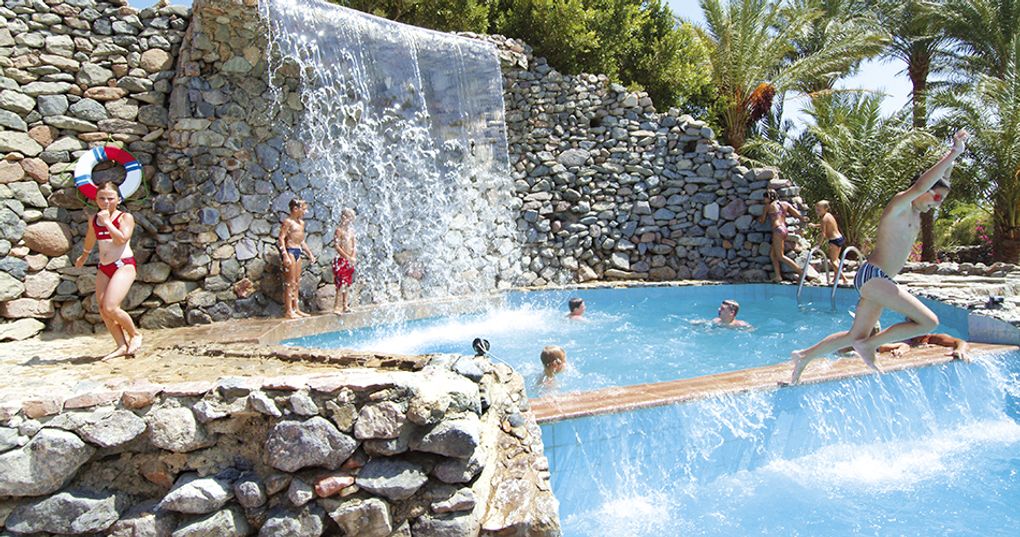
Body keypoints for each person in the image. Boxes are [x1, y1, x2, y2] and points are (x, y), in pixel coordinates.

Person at [787, 129, 969, 385]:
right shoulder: (900, 205)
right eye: (936, 197)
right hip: (873, 276)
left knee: (854, 335)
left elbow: (939, 182)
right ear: (924, 189)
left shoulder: (916, 214)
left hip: (878, 279)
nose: (936, 204)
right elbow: (922, 185)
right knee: (929, 322)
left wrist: (953, 161)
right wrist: (953, 152)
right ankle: (869, 346)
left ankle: (803, 357)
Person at [74, 181, 142, 360]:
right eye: (101, 198)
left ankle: (135, 334)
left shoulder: (125, 217)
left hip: (123, 265)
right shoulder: (94, 219)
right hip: (104, 267)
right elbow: (91, 237)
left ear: (118, 199)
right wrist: (84, 255)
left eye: (110, 198)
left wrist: (107, 222)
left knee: (111, 307)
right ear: (96, 200)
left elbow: (121, 239)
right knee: (103, 309)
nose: (106, 202)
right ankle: (121, 345)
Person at [757, 189, 806, 282]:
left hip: (777, 230)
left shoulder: (768, 206)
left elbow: (762, 220)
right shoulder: (785, 204)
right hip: (784, 229)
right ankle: (778, 276)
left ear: (769, 198)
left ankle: (800, 272)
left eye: (765, 198)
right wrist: (803, 219)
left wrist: (758, 218)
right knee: (773, 255)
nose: (764, 200)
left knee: (780, 256)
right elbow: (797, 214)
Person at [278, 198, 316, 319]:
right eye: (303, 209)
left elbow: (301, 241)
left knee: (297, 282)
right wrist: (285, 255)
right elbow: (281, 238)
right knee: (289, 282)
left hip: (298, 251)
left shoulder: (301, 223)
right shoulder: (288, 222)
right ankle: (289, 310)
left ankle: (296, 308)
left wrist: (310, 254)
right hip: (290, 251)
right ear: (295, 209)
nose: (305, 212)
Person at [807, 200, 849, 285]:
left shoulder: (823, 219)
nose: (817, 211)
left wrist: (818, 245)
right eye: (816, 209)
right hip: (840, 238)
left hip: (834, 240)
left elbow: (823, 234)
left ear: (826, 209)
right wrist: (815, 225)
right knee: (836, 260)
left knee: (833, 261)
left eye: (819, 210)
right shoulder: (828, 215)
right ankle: (835, 278)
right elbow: (826, 224)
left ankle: (844, 279)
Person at [878, 333, 970, 362]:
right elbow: (882, 346)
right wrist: (901, 350)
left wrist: (960, 350)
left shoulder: (934, 338)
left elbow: (960, 342)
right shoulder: (905, 339)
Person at [332, 208, 357, 314]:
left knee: (347, 283)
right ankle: (336, 306)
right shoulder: (339, 230)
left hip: (349, 260)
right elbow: (337, 246)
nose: (350, 221)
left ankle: (345, 305)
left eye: (351, 219)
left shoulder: (351, 232)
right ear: (343, 217)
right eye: (348, 218)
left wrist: (353, 257)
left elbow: (354, 246)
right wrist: (346, 256)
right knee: (340, 283)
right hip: (341, 260)